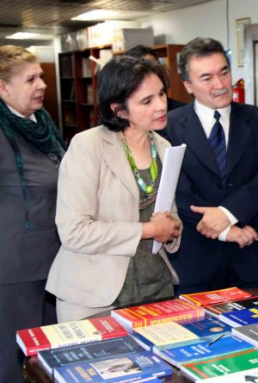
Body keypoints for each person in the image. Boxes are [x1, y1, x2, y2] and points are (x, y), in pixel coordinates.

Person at [46, 56, 182, 322]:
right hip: (94, 294)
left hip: (154, 287)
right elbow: (73, 231)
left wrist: (172, 229)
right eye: (147, 101)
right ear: (119, 110)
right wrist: (149, 230)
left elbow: (169, 216)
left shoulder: (164, 147)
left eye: (162, 94)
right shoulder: (88, 146)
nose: (161, 105)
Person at [163, 37, 258, 294]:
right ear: (188, 85)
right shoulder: (168, 126)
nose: (219, 85)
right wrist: (225, 230)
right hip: (194, 259)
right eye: (206, 78)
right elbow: (174, 192)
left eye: (224, 72)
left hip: (251, 253)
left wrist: (228, 213)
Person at [0, 45, 65, 383]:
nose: (41, 84)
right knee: (12, 363)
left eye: (40, 75)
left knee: (48, 357)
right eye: (31, 79)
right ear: (3, 88)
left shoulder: (41, 124)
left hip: (55, 259)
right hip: (14, 270)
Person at [125, 44, 186, 111]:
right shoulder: (123, 114)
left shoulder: (181, 111)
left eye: (161, 94)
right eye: (147, 101)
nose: (150, 73)